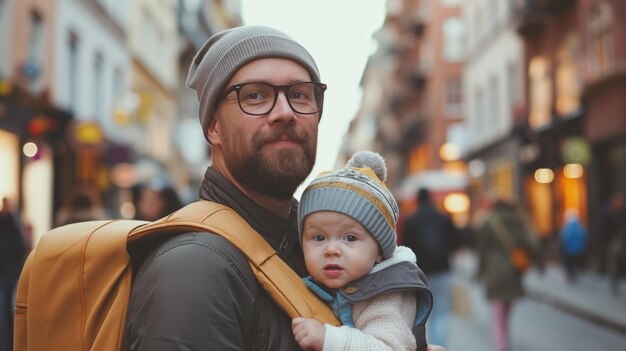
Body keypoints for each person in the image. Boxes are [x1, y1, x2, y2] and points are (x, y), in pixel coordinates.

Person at [120, 24, 447, 351]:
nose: (284, 112)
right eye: (255, 95)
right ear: (213, 127)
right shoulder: (192, 271)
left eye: (299, 95)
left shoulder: (307, 246)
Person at [292, 151, 432, 351]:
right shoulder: (343, 280)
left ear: (379, 251)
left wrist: (328, 339)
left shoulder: (386, 296)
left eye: (350, 238)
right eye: (319, 238)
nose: (331, 250)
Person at [401, 187, 461, 347]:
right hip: (442, 270)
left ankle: (424, 346)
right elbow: (456, 241)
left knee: (420, 315)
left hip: (420, 273)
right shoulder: (444, 218)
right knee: (441, 312)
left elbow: (405, 248)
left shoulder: (411, 220)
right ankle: (439, 347)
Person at [476, 197, 539, 351]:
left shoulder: (490, 222)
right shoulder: (519, 221)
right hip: (513, 271)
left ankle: (501, 345)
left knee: (497, 313)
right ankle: (504, 341)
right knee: (506, 310)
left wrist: (480, 271)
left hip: (494, 271)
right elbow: (531, 244)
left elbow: (482, 249)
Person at [0, 197, 28, 351]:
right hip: (9, 271)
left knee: (9, 309)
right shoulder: (13, 224)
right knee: (9, 308)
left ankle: (8, 343)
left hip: (9, 271)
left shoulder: (12, 223)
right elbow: (21, 245)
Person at [559, 208, 587, 283]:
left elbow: (563, 237)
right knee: (575, 263)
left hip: (568, 250)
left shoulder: (566, 228)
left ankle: (570, 275)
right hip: (578, 250)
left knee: (569, 264)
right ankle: (574, 274)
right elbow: (584, 236)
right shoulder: (580, 227)